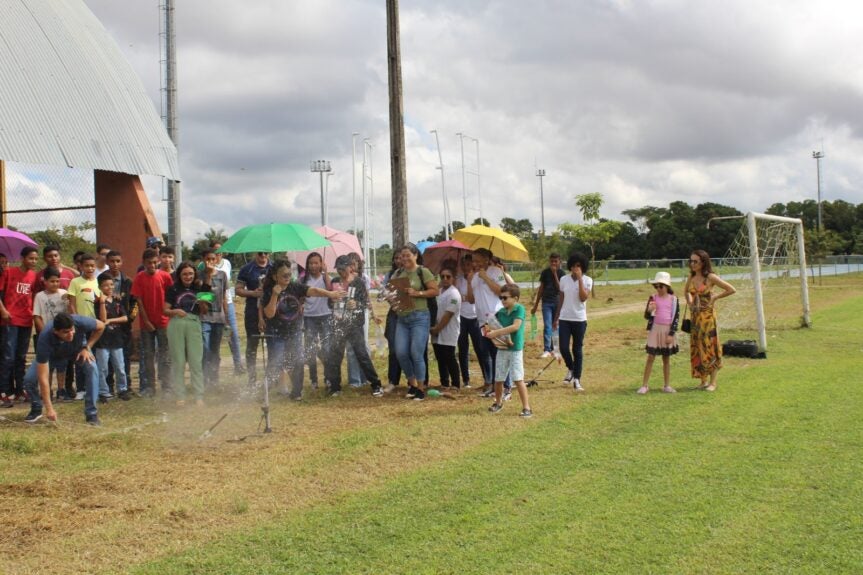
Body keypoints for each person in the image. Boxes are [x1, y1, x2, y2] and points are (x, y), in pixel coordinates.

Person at [261, 259, 342, 400]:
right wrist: (274, 295)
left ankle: (296, 393)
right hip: (276, 333)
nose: (287, 277)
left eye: (289, 274)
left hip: (294, 331)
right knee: (276, 362)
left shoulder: (295, 287)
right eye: (284, 275)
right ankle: (266, 391)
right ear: (275, 277)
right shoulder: (269, 290)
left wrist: (331, 294)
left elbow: (314, 290)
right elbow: (269, 314)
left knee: (297, 361)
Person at [24, 312, 105, 425]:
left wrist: (87, 347)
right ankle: (37, 408)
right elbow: (43, 378)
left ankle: (91, 414)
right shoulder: (45, 338)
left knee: (92, 369)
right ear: (55, 331)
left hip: (78, 351)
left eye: (72, 330)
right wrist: (49, 408)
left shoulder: (80, 321)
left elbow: (101, 326)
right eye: (66, 332)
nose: (71, 334)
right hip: (52, 356)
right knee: (29, 380)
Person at [325, 255, 383, 397]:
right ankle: (335, 386)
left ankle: (376, 384)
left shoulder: (358, 282)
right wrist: (332, 301)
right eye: (338, 269)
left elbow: (365, 302)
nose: (340, 272)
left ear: (350, 267)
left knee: (361, 354)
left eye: (343, 269)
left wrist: (356, 304)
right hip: (338, 323)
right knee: (335, 355)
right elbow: (329, 303)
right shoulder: (335, 282)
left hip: (354, 324)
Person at [389, 243, 439, 401]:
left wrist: (417, 293)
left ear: (415, 255)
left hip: (420, 317)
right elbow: (392, 292)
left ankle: (421, 388)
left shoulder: (422, 271)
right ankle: (412, 383)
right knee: (401, 352)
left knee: (416, 353)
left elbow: (434, 291)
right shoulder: (397, 273)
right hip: (402, 318)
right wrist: (390, 297)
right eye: (402, 256)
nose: (404, 259)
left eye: (407, 255)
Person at [685, 249, 736, 391]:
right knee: (697, 347)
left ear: (703, 262)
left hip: (707, 318)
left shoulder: (711, 277)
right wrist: (690, 303)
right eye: (691, 261)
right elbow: (687, 291)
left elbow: (731, 289)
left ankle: (713, 382)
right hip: (695, 319)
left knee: (710, 347)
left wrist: (715, 297)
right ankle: (703, 381)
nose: (692, 264)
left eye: (695, 261)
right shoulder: (692, 277)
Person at [164, 262, 213, 406]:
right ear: (179, 274)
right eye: (184, 274)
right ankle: (180, 396)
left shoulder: (199, 287)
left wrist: (203, 300)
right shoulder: (173, 288)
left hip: (194, 322)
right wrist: (175, 311)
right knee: (178, 361)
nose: (188, 276)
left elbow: (205, 309)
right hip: (176, 323)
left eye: (191, 274)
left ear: (195, 274)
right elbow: (165, 309)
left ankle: (199, 396)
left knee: (196, 362)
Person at [0, 246, 41, 407]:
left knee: (21, 357)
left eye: (36, 259)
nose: (34, 261)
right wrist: (3, 311)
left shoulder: (34, 276)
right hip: (10, 320)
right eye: (31, 258)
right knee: (8, 357)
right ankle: (4, 391)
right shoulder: (9, 272)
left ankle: (20, 389)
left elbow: (35, 294)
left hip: (26, 320)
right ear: (23, 258)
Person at [131, 248, 174, 397]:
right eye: (149, 263)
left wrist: (170, 316)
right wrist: (146, 321)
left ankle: (167, 386)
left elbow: (171, 297)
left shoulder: (165, 276)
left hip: (163, 321)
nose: (153, 265)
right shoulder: (139, 278)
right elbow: (139, 301)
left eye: (155, 262)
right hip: (147, 324)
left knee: (165, 355)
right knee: (148, 356)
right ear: (144, 263)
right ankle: (150, 387)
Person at [484, 285, 532, 417]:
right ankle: (498, 403)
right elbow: (491, 324)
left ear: (515, 298)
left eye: (505, 297)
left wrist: (496, 332)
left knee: (518, 379)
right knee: (498, 378)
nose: (502, 300)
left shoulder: (519, 309)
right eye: (501, 298)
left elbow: (516, 327)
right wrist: (488, 330)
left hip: (515, 350)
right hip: (502, 349)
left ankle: (526, 407)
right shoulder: (501, 312)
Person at [466, 248, 507, 398]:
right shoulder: (475, 276)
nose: (474, 263)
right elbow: (471, 299)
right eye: (473, 260)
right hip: (482, 320)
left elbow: (502, 292)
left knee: (499, 353)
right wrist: (470, 282)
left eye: (477, 260)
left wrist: (486, 278)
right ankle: (494, 386)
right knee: (487, 353)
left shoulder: (495, 271)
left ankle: (506, 388)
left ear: (486, 259)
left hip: (495, 317)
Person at [553, 253, 592, 392]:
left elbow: (583, 298)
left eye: (579, 266)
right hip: (565, 318)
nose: (576, 268)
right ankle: (571, 368)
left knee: (577, 349)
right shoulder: (564, 279)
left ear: (583, 267)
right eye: (574, 265)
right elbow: (561, 299)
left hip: (579, 319)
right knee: (563, 348)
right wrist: (556, 317)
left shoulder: (588, 280)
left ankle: (577, 379)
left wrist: (580, 279)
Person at [638, 272, 680, 394]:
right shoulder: (653, 298)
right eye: (656, 286)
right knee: (651, 357)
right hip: (655, 330)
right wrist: (649, 310)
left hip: (667, 330)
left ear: (667, 286)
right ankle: (644, 385)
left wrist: (671, 334)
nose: (658, 289)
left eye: (661, 286)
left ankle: (667, 385)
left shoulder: (674, 300)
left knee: (666, 358)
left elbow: (676, 317)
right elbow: (646, 316)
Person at [236, 252, 272, 387]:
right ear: (255, 252)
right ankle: (252, 379)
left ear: (269, 253)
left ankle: (271, 378)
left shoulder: (274, 267)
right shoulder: (247, 268)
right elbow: (238, 290)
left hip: (270, 310)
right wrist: (253, 293)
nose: (263, 255)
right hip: (252, 311)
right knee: (252, 345)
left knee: (273, 344)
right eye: (260, 252)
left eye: (265, 252)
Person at [32, 267, 68, 401]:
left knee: (61, 364)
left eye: (57, 281)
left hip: (62, 335)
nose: (55, 284)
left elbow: (69, 313)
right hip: (48, 335)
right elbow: (37, 316)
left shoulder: (64, 293)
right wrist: (44, 334)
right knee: (48, 365)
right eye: (52, 281)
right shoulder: (40, 296)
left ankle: (61, 389)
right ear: (45, 281)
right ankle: (47, 391)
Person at [94, 273, 131, 401]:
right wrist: (103, 302)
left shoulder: (117, 301)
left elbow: (125, 317)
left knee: (120, 367)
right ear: (99, 287)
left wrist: (111, 321)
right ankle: (103, 392)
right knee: (103, 368)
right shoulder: (98, 302)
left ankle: (122, 389)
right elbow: (103, 319)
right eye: (105, 285)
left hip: (116, 339)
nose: (109, 287)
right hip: (102, 341)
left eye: (111, 284)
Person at [210, 242, 246, 375]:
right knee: (216, 337)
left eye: (220, 250)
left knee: (233, 334)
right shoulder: (205, 264)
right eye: (215, 250)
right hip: (213, 305)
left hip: (228, 303)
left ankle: (238, 365)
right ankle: (214, 369)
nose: (218, 252)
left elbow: (228, 284)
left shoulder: (227, 263)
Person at [104, 251, 137, 394]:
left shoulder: (128, 281)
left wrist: (130, 318)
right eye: (112, 261)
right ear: (107, 262)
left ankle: (125, 386)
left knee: (124, 356)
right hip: (106, 325)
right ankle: (108, 386)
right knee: (107, 358)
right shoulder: (100, 279)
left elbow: (134, 302)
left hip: (123, 326)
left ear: (122, 262)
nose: (115, 264)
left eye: (118, 261)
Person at [300, 252, 332, 390]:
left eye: (316, 263)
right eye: (311, 263)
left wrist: (326, 273)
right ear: (307, 265)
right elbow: (300, 296)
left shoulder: (325, 278)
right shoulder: (303, 279)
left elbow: (331, 290)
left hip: (325, 315)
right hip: (309, 317)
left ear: (321, 264)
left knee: (326, 348)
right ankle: (313, 380)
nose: (313, 266)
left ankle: (328, 378)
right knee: (311, 349)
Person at [198, 249, 228, 388]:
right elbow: (203, 297)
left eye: (213, 258)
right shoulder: (199, 276)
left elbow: (223, 297)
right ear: (203, 260)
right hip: (205, 318)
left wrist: (226, 318)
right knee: (205, 349)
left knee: (215, 351)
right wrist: (209, 276)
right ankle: (204, 379)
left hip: (219, 318)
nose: (210, 261)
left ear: (216, 259)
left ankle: (214, 379)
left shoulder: (223, 275)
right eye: (207, 259)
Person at [430, 265, 461, 389]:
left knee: (449, 357)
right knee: (440, 357)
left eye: (448, 276)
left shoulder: (454, 294)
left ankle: (455, 384)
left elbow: (448, 314)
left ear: (453, 278)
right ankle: (444, 383)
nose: (445, 278)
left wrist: (437, 329)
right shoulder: (440, 291)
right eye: (442, 276)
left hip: (448, 329)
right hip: (437, 329)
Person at [455, 253, 484, 389]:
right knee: (463, 349)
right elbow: (456, 297)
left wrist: (466, 295)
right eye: (464, 265)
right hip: (462, 317)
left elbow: (475, 298)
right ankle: (466, 379)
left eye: (468, 264)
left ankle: (487, 377)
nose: (466, 267)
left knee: (480, 348)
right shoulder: (459, 279)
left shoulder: (477, 278)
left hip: (475, 317)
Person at [531, 253, 564, 358]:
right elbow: (541, 288)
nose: (553, 263)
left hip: (557, 302)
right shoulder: (545, 273)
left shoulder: (562, 273)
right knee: (547, 325)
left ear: (560, 262)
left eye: (556, 261)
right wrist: (536, 305)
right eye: (551, 261)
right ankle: (547, 349)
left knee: (555, 326)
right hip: (546, 302)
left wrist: (554, 274)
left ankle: (555, 349)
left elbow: (561, 289)